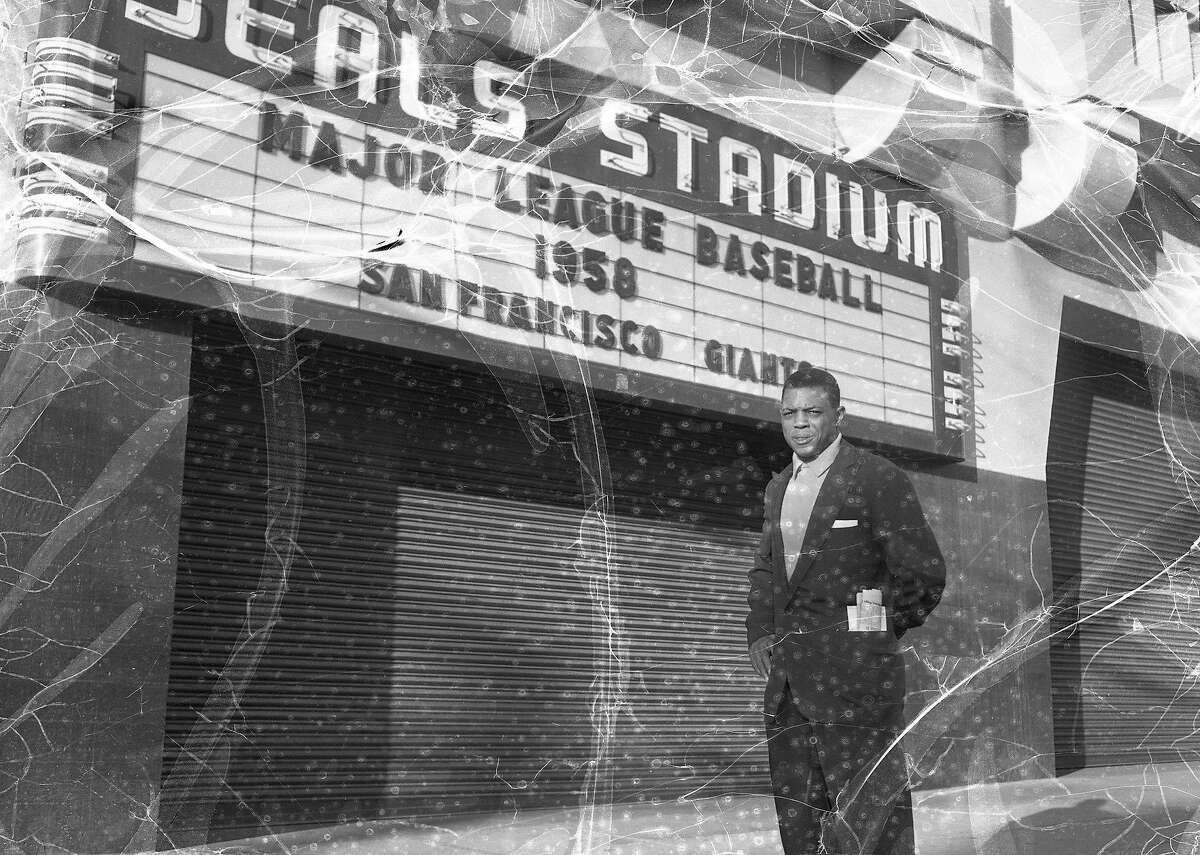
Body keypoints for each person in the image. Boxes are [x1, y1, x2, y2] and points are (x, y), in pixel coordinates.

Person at [746, 366, 946, 855]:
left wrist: (867, 633)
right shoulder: (779, 488)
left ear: (839, 416)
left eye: (812, 412)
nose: (800, 424)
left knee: (873, 821)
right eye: (789, 413)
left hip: (857, 686)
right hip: (790, 688)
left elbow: (922, 575)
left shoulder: (876, 478)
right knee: (801, 824)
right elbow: (768, 572)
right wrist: (759, 632)